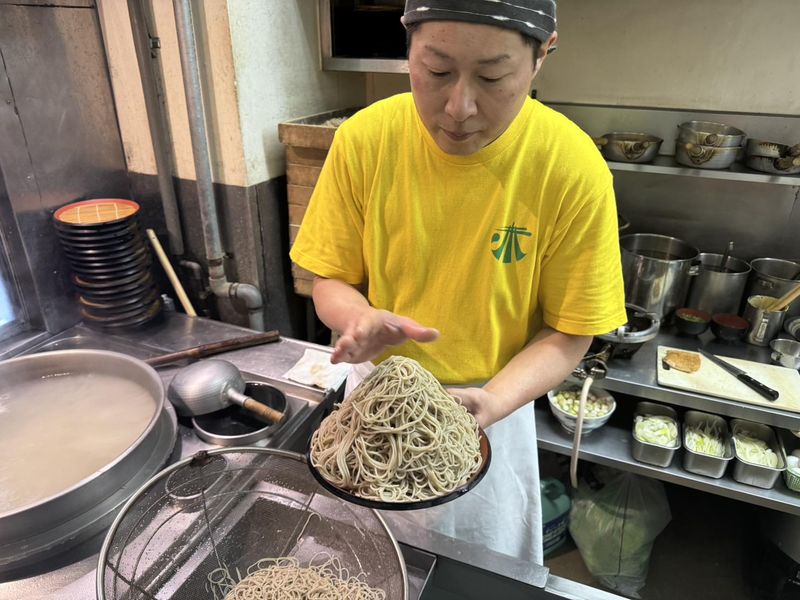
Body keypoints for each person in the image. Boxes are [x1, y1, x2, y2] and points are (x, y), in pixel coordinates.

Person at [290, 0, 626, 565]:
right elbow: (330, 279)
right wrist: (356, 317)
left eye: (492, 77)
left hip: (491, 408)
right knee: (359, 567)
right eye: (436, 70)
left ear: (542, 56)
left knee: (474, 575)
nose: (458, 107)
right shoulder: (366, 139)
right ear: (408, 46)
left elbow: (570, 332)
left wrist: (492, 401)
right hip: (373, 406)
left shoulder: (570, 166)